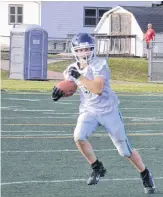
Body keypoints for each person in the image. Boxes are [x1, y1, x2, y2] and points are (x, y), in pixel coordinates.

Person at [51, 33, 156, 194]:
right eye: (81, 50)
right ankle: (97, 167)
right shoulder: (71, 69)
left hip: (109, 111)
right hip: (89, 110)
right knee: (79, 136)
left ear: (93, 49)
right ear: (75, 51)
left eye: (87, 49)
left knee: (124, 151)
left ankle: (145, 173)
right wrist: (60, 91)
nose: (84, 52)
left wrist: (78, 75)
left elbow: (98, 89)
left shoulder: (100, 64)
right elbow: (70, 87)